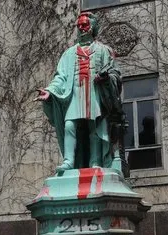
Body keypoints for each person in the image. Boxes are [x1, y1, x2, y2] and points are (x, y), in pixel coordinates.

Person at [36, 12, 123, 175]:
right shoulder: (69, 53)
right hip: (74, 93)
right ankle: (68, 161)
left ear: (92, 27)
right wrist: (49, 91)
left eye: (85, 25)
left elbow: (115, 74)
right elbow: (60, 77)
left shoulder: (104, 50)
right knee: (69, 125)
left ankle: (95, 161)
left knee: (94, 127)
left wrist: (105, 78)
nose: (82, 28)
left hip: (94, 92)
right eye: (79, 26)